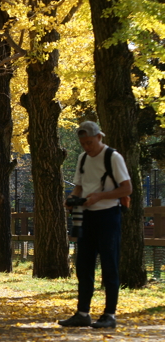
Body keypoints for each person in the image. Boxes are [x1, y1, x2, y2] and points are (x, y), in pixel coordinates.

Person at [58, 121, 133, 329]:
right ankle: (83, 313)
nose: (86, 147)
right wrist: (71, 199)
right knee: (84, 266)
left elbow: (127, 188)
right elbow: (79, 187)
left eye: (89, 142)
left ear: (100, 137)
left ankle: (109, 314)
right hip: (87, 217)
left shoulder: (112, 157)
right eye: (83, 143)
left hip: (109, 216)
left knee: (110, 265)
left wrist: (100, 196)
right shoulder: (83, 159)